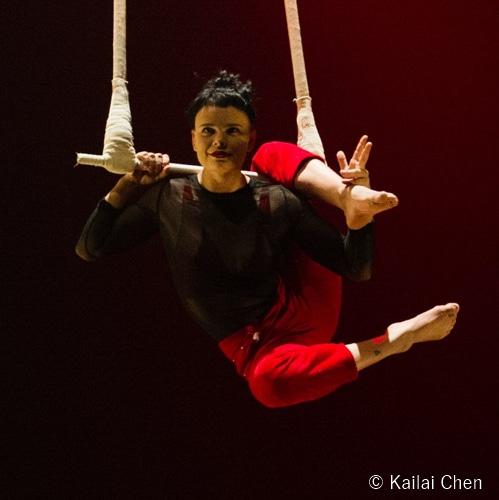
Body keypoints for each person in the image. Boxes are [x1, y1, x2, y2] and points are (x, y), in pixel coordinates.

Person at [76, 71, 459, 408]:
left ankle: (348, 198)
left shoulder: (275, 201)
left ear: (247, 136)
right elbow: (91, 247)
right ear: (192, 139)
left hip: (300, 311)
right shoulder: (169, 197)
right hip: (263, 352)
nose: (218, 142)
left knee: (272, 156)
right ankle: (394, 340)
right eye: (207, 131)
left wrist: (359, 224)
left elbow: (355, 267)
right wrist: (128, 184)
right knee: (268, 386)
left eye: (233, 131)